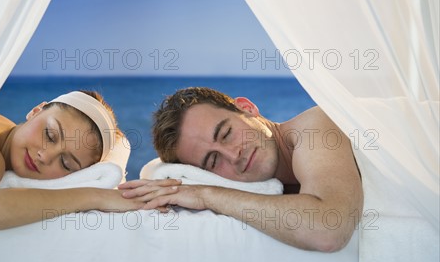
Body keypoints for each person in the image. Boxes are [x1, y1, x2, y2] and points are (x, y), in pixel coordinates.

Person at [119, 87, 363, 252]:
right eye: (213, 161)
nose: (233, 154)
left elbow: (329, 228)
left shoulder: (314, 127)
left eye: (226, 133)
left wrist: (205, 195)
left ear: (247, 109)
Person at [0, 90, 178, 230]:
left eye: (66, 164)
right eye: (49, 134)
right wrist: (97, 196)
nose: (45, 156)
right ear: (36, 111)